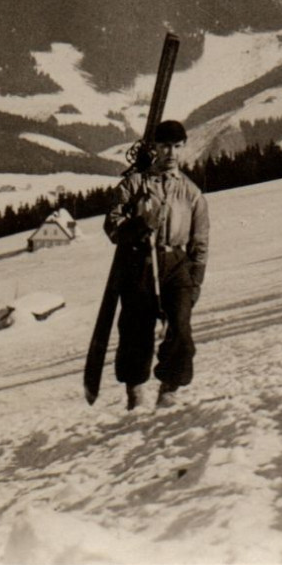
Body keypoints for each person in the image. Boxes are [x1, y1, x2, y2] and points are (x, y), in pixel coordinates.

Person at [102, 119, 210, 410]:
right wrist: (136, 226)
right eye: (164, 146)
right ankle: (135, 392)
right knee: (136, 328)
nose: (170, 153)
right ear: (154, 148)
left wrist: (194, 283)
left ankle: (169, 389)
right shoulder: (134, 185)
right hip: (140, 263)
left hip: (176, 264)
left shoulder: (192, 193)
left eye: (176, 147)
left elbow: (199, 243)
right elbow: (112, 224)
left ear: (183, 148)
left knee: (181, 329)